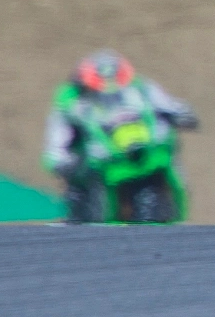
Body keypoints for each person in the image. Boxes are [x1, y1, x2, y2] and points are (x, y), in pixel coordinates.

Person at [42, 49, 198, 222]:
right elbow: (58, 134)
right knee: (79, 192)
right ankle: (81, 218)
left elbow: (169, 105)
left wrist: (182, 114)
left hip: (146, 151)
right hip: (98, 159)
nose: (109, 90)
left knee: (171, 169)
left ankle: (172, 210)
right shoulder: (72, 101)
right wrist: (59, 158)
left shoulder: (140, 88)